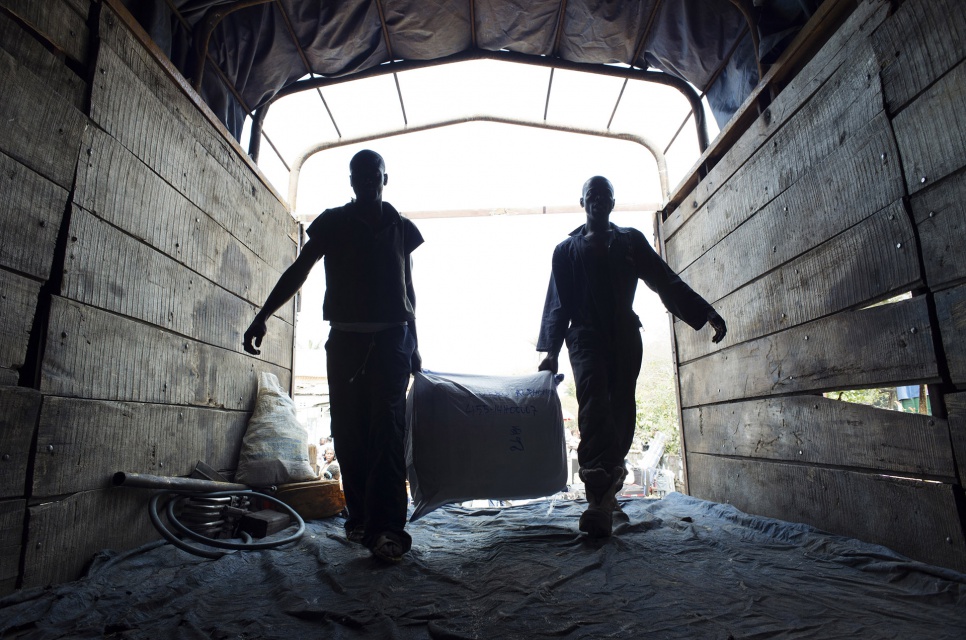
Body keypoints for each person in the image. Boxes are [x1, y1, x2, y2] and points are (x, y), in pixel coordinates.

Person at [244, 149, 422, 563]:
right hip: (346, 344)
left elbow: (408, 288)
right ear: (351, 181)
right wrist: (263, 316)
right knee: (349, 434)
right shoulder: (334, 223)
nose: (366, 183)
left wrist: (416, 343)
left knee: (388, 435)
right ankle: (360, 518)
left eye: (373, 175)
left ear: (385, 178)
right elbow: (299, 270)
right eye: (358, 176)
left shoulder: (400, 227)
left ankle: (389, 530)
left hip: (393, 344)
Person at [537, 175, 726, 538]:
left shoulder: (630, 241)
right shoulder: (565, 251)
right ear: (582, 202)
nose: (598, 200)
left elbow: (665, 281)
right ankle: (597, 497)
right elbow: (557, 305)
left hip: (625, 334)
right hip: (585, 336)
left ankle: (609, 491)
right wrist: (551, 353)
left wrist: (705, 313)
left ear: (612, 202)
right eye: (591, 194)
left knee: (622, 408)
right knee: (593, 405)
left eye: (605, 194)